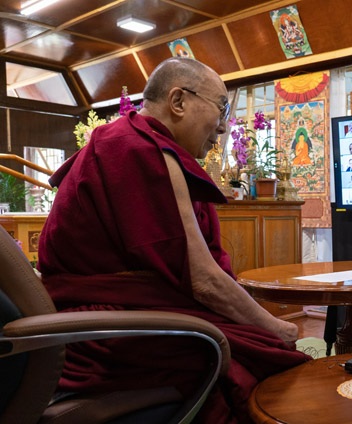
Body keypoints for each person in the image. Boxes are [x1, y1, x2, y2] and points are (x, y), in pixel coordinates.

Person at [36, 57, 310, 423]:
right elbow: (204, 281)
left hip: (113, 317)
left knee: (256, 342)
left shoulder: (129, 143)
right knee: (272, 355)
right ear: (178, 101)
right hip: (106, 333)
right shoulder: (138, 150)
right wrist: (278, 327)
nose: (224, 126)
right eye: (221, 108)